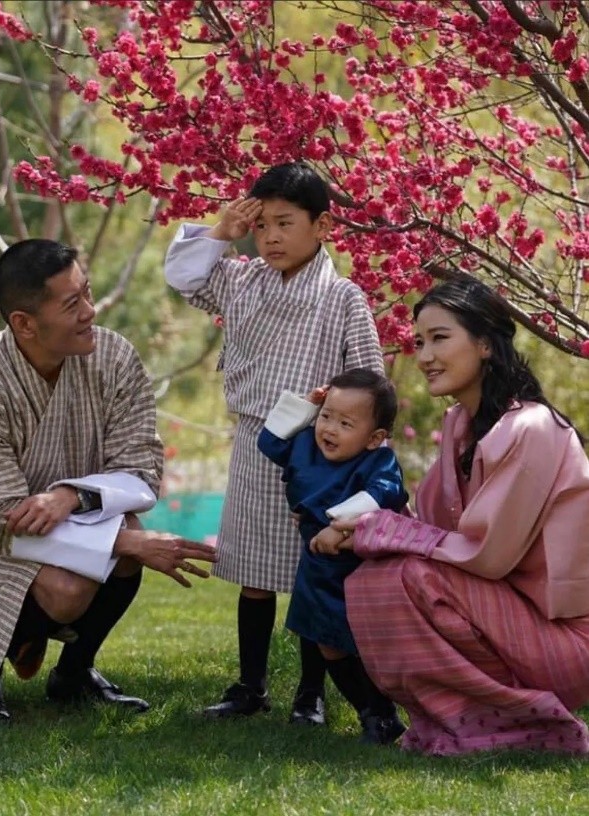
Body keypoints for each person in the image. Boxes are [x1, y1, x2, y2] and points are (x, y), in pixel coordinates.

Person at [0, 238, 216, 723]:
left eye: (86, 293)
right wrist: (129, 544)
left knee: (123, 530)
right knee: (73, 584)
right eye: (72, 304)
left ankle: (74, 671)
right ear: (24, 324)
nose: (90, 311)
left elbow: (143, 468)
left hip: (72, 518)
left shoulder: (114, 357)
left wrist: (71, 496)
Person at [327, 277, 589, 755]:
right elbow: (427, 526)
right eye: (419, 341)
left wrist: (382, 529)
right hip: (510, 620)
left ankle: (529, 725)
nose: (424, 355)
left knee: (405, 575)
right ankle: (464, 719)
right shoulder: (459, 426)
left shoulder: (530, 428)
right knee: (372, 578)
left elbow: (485, 555)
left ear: (486, 343)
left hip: (567, 642)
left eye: (440, 338)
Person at [164, 162, 384, 725]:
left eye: (285, 223)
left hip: (321, 450)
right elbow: (184, 278)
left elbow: (368, 379)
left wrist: (342, 422)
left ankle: (311, 692)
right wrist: (220, 232)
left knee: (312, 571)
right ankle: (250, 684)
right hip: (253, 438)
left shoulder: (343, 298)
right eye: (261, 226)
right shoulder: (241, 278)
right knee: (256, 576)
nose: (271, 238)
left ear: (323, 226)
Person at [257, 369, 408, 743]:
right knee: (327, 642)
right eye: (326, 416)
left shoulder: (377, 462)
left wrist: (340, 525)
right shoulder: (305, 444)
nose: (330, 429)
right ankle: (373, 714)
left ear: (375, 438)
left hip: (361, 561)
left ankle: (386, 708)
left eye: (345, 423)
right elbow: (268, 441)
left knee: (363, 643)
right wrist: (305, 407)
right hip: (317, 563)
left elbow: (385, 493)